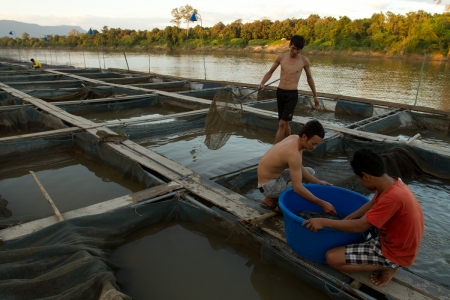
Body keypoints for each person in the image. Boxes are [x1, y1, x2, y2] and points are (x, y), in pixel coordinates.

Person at [303, 148, 424, 287]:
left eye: (359, 179)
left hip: (395, 252)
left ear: (366, 176)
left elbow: (360, 226)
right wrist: (349, 217)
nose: (361, 183)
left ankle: (388, 266)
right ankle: (388, 262)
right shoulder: (392, 184)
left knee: (332, 258)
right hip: (397, 241)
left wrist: (324, 222)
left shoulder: (392, 197)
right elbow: (372, 203)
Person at [257, 120, 336, 215]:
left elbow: (298, 167)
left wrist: (317, 182)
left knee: (310, 172)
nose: (314, 147)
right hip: (269, 186)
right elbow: (297, 188)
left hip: (270, 178)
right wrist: (322, 203)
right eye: (313, 143)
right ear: (304, 137)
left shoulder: (294, 138)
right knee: (302, 188)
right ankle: (270, 200)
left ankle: (270, 198)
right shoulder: (293, 153)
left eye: (317, 144)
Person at [258, 35, 320, 144]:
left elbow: (309, 78)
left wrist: (315, 95)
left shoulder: (304, 61)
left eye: (298, 49)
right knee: (285, 123)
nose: (295, 51)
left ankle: (274, 150)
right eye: (293, 48)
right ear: (289, 45)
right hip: (280, 92)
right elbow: (270, 72)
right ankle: (291, 143)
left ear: (301, 50)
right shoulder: (281, 57)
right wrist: (263, 83)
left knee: (282, 123)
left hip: (292, 94)